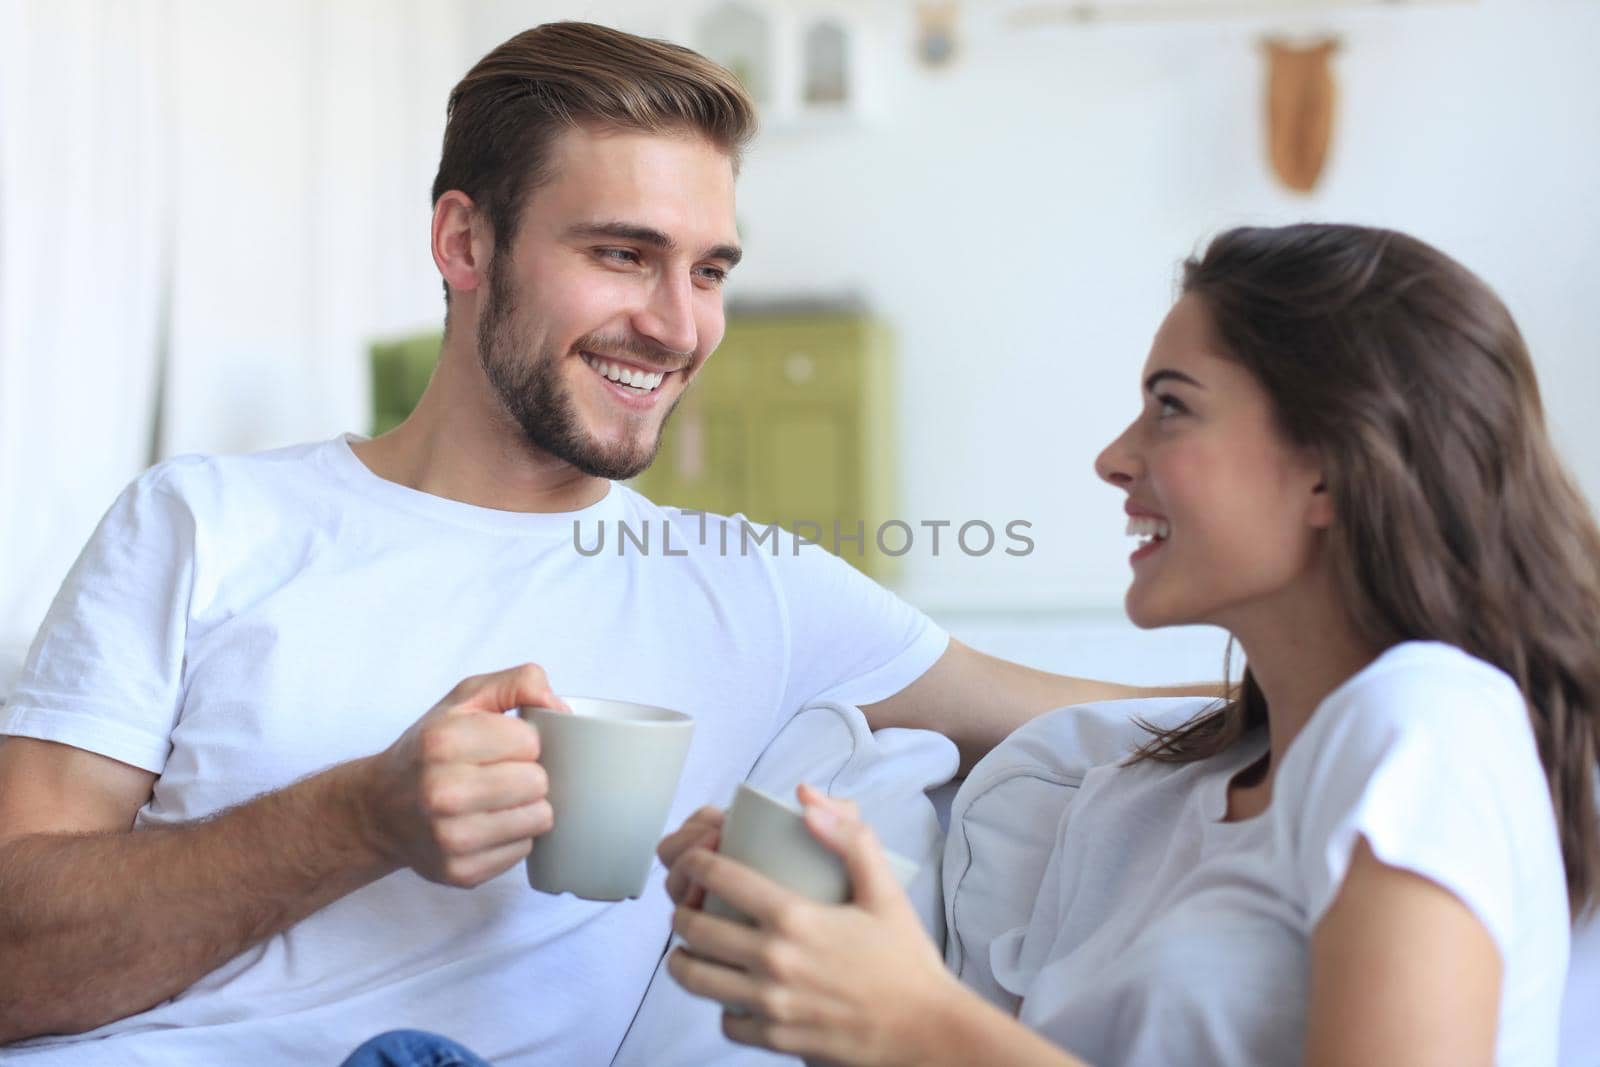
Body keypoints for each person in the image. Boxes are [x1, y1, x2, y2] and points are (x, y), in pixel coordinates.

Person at [0, 21, 1172, 1066]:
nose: (677, 326)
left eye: (708, 270)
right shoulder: (202, 522)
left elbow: (1136, 715)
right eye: (622, 254)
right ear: (464, 242)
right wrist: (358, 818)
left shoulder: (756, 587)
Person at [663, 223, 1600, 1066]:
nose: (1115, 456)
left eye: (1173, 406)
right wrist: (836, 961)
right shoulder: (1137, 801)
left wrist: (917, 1024)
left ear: (1331, 466)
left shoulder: (1428, 722)